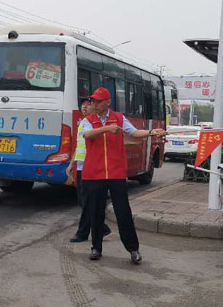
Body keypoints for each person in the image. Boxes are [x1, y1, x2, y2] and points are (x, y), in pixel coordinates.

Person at [82, 88, 166, 263]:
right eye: (93, 102)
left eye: (98, 102)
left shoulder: (119, 118)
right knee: (95, 212)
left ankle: (133, 249)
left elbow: (134, 133)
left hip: (116, 172)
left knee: (123, 212)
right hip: (94, 174)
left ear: (108, 102)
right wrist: (106, 128)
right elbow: (87, 134)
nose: (94, 105)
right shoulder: (87, 120)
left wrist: (152, 132)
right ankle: (96, 247)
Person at [66, 99, 111, 243]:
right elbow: (79, 146)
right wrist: (72, 163)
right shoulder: (83, 124)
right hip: (81, 166)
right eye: (83, 104)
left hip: (90, 167)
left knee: (86, 201)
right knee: (83, 201)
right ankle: (101, 228)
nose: (84, 107)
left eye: (88, 104)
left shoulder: (95, 126)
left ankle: (83, 233)